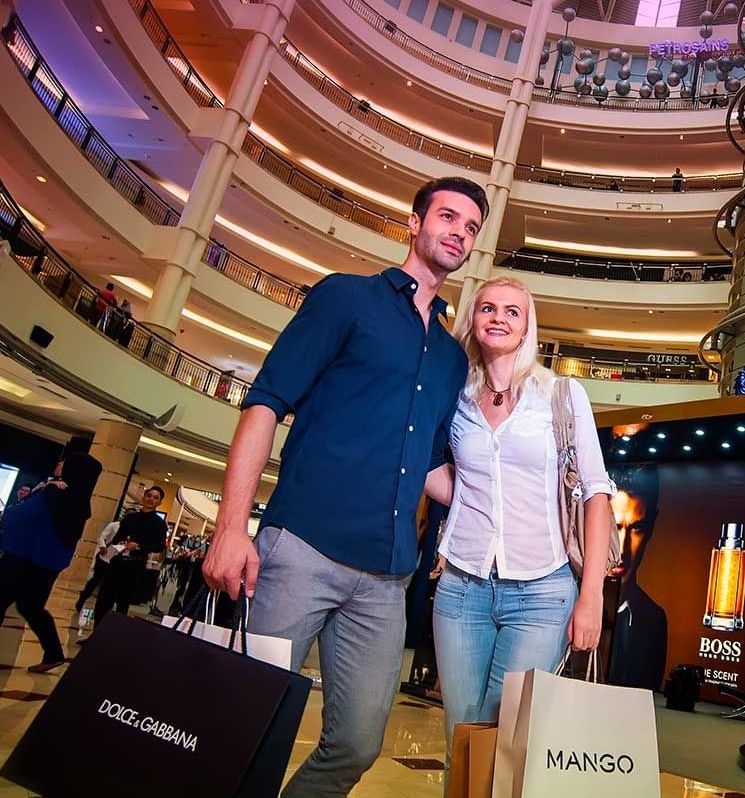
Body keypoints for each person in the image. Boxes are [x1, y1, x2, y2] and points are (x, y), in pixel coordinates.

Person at [201, 176, 486, 797]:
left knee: (357, 744)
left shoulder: (450, 358)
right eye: (447, 217)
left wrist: (508, 497)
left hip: (386, 580)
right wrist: (231, 528)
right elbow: (264, 405)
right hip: (300, 549)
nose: (458, 232)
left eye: (470, 227)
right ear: (414, 224)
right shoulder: (345, 299)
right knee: (242, 727)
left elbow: (434, 467)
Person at [427, 276, 614, 772]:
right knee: (462, 743)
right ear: (473, 320)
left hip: (542, 593)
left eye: (512, 311)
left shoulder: (561, 395)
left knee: (511, 747)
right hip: (461, 587)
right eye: (488, 308)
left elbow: (596, 493)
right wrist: (465, 495)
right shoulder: (456, 398)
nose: (498, 317)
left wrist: (591, 595)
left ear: (527, 326)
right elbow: (445, 472)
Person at [0, 453, 102, 672]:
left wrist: (41, 492)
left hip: (23, 558)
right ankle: (53, 653)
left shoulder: (56, 492)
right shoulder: (77, 498)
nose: (59, 463)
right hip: (42, 562)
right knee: (29, 607)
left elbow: (21, 515)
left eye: (65, 462)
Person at [606, 465, 668, 690]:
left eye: (637, 528)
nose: (622, 549)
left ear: (652, 526)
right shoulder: (564, 600)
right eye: (614, 526)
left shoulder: (654, 620)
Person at [89, 487, 168, 627]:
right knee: (103, 600)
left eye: (155, 498)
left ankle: (114, 637)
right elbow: (118, 536)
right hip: (116, 563)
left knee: (122, 603)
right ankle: (96, 633)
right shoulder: (130, 518)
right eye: (149, 495)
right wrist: (120, 543)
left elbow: (159, 546)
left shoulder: (159, 524)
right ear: (144, 497)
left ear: (159, 502)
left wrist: (139, 546)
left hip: (134, 567)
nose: (151, 499)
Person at [74, 515, 122, 615]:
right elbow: (101, 537)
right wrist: (103, 547)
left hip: (116, 562)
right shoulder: (114, 525)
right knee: (95, 581)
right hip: (104, 559)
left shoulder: (131, 531)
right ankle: (82, 599)